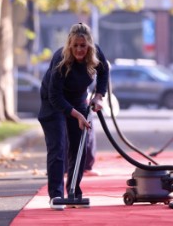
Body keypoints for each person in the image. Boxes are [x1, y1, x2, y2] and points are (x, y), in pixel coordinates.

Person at [38, 23, 109, 210]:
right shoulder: (60, 59)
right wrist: (76, 115)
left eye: (83, 46)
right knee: (58, 146)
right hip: (53, 102)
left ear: (89, 46)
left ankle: (74, 191)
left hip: (78, 99)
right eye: (75, 45)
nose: (79, 49)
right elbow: (55, 96)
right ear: (70, 45)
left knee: (79, 147)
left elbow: (104, 72)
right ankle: (56, 196)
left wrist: (99, 96)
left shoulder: (96, 54)